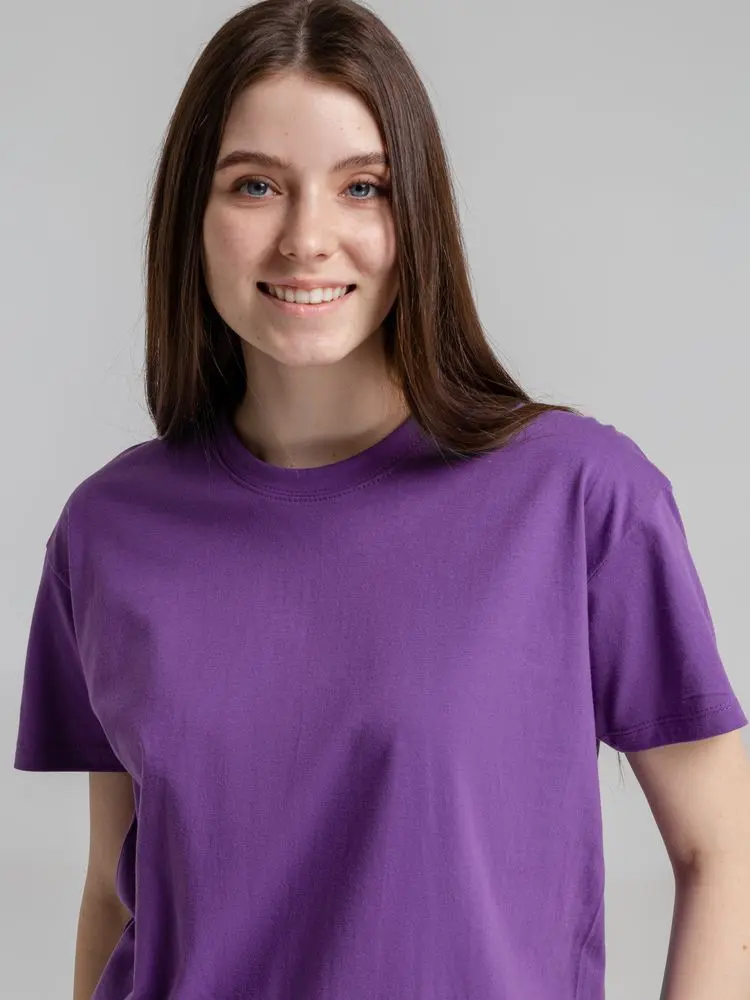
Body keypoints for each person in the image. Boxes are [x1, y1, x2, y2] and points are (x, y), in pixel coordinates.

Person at [13, 1, 750, 998]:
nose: (307, 238)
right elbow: (114, 890)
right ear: (192, 213)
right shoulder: (109, 530)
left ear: (419, 217)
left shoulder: (579, 499)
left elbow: (724, 853)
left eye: (363, 187)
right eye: (256, 184)